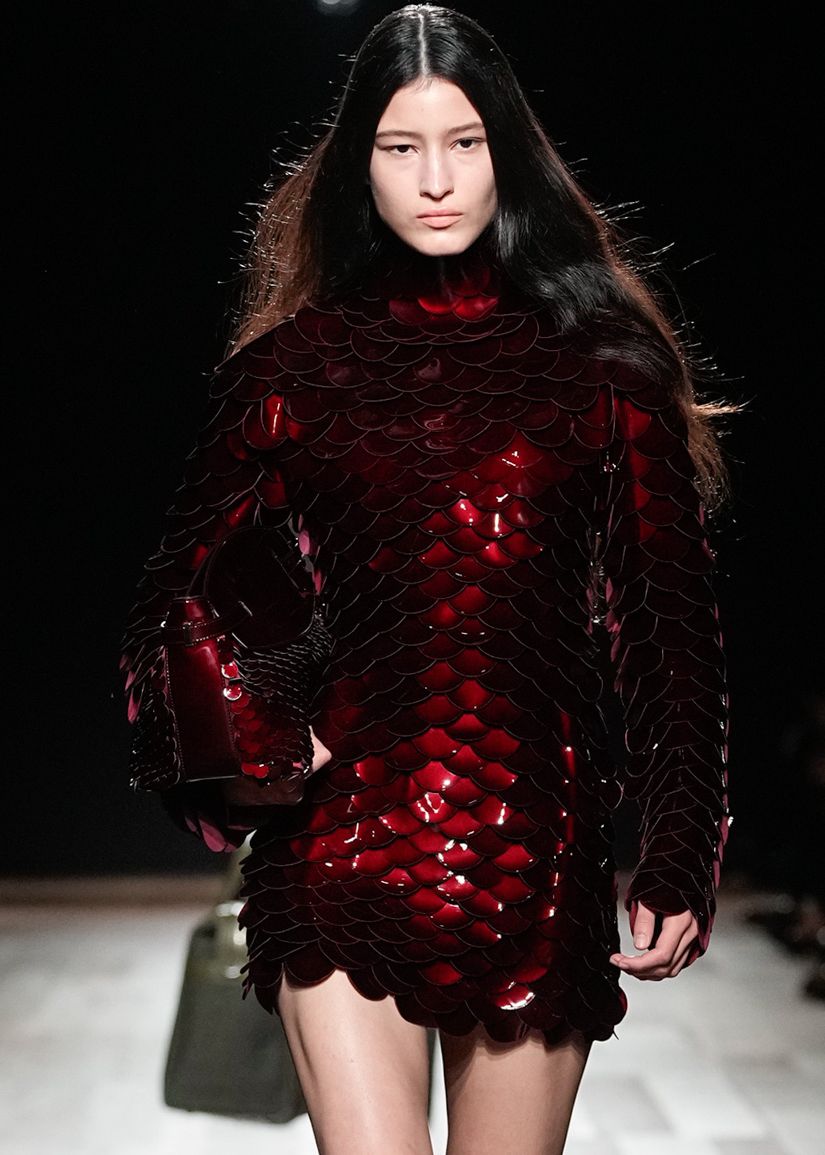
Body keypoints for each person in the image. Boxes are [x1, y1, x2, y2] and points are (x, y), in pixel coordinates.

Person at [119, 6, 738, 1153]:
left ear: (511, 152)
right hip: (339, 847)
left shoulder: (607, 370)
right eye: (401, 147)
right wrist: (257, 740)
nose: (437, 180)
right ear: (361, 166)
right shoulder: (292, 373)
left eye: (465, 142)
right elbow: (173, 602)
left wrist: (679, 848)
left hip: (536, 852)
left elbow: (670, 630)